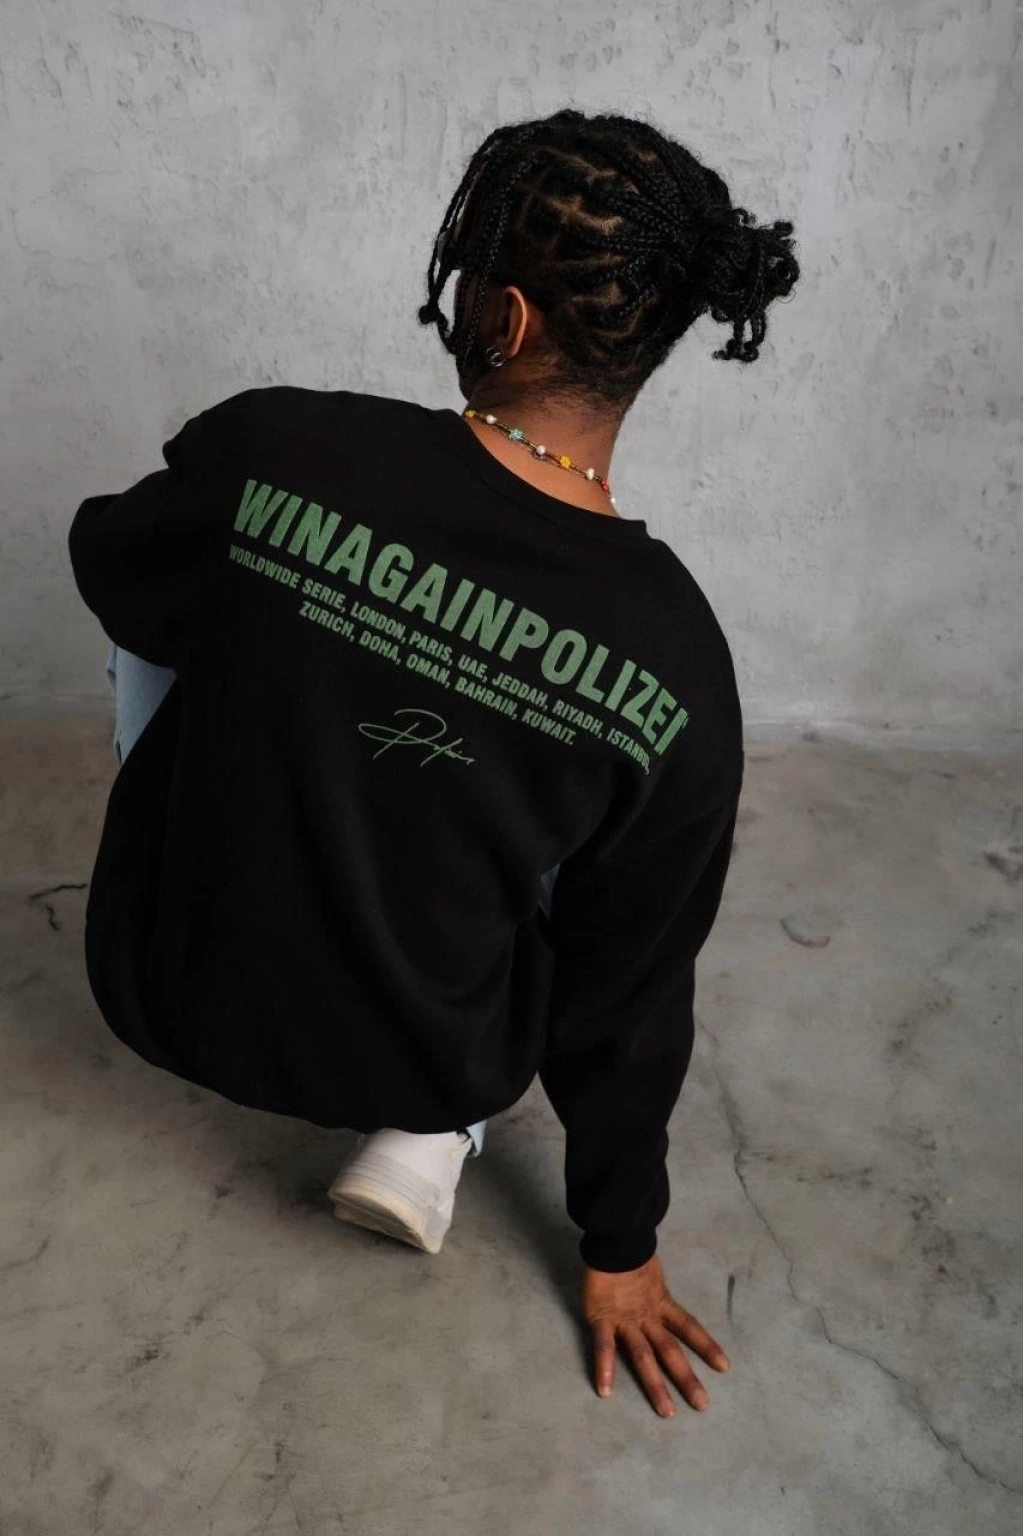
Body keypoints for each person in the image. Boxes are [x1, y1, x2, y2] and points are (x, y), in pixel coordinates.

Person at [68, 107, 799, 1419]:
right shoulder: (677, 666)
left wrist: (300, 639)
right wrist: (620, 1246)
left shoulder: (278, 447)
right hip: (418, 1060)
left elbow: (110, 565)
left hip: (158, 983)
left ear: (501, 318)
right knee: (574, 827)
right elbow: (629, 1001)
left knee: (194, 588)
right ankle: (433, 1134)